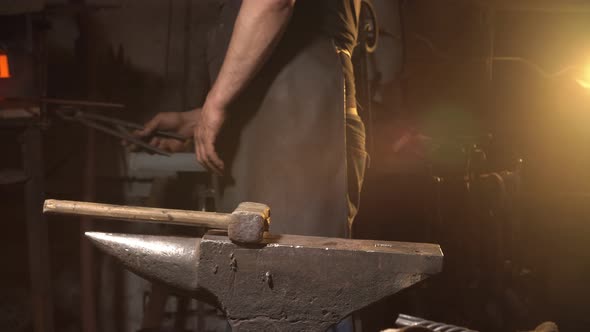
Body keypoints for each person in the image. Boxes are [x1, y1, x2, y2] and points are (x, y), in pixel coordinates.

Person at [136, 1, 366, 329]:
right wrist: (202, 118)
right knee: (267, 297)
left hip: (296, 112)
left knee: (294, 296)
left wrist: (217, 103)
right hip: (284, 113)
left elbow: (272, 3)